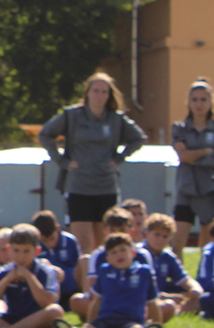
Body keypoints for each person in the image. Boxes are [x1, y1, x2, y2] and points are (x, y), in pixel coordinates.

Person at [37, 72, 147, 253]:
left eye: (104, 92)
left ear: (110, 95)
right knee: (83, 242)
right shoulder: (72, 115)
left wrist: (119, 158)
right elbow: (45, 134)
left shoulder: (116, 119)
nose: (100, 95)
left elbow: (139, 138)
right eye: (96, 91)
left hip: (106, 185)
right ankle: (84, 279)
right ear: (87, 93)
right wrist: (62, 161)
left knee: (105, 241)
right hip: (79, 184)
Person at [0, 225, 76, 328]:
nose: (21, 256)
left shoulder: (45, 271)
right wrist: (8, 279)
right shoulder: (3, 272)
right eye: (16, 250)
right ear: (9, 249)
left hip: (36, 319)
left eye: (26, 251)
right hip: (11, 318)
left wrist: (29, 277)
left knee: (55, 311)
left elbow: (48, 303)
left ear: (37, 251)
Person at [170, 79, 214, 253]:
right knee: (177, 242)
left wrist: (193, 155)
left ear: (211, 102)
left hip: (210, 189)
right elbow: (182, 156)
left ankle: (204, 278)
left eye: (203, 99)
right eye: (195, 99)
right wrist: (205, 151)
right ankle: (177, 279)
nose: (199, 104)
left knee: (208, 244)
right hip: (186, 188)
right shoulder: (179, 128)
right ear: (188, 102)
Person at [77, 233, 165, 328]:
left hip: (131, 320)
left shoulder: (144, 273)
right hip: (106, 320)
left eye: (123, 250)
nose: (119, 255)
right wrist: (90, 322)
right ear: (108, 259)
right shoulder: (104, 271)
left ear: (133, 252)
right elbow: (97, 301)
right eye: (113, 252)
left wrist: (157, 327)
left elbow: (152, 303)